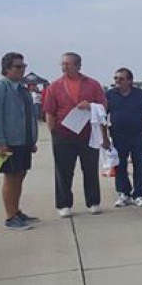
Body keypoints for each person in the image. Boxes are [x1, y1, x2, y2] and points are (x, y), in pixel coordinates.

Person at [44, 52, 110, 217]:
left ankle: (93, 202)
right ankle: (64, 204)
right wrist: (53, 131)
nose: (64, 67)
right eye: (63, 64)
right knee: (63, 171)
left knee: (90, 169)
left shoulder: (93, 85)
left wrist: (91, 107)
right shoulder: (55, 86)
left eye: (68, 64)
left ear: (78, 65)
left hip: (88, 134)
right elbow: (49, 111)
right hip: (63, 134)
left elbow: (103, 108)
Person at [0, 53, 40, 230]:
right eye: (18, 66)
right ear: (7, 68)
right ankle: (10, 217)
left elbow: (29, 117)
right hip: (9, 142)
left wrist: (32, 139)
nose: (22, 69)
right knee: (11, 177)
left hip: (23, 141)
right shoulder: (0, 88)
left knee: (20, 175)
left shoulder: (22, 89)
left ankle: (16, 210)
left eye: (23, 65)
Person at [106, 67, 142, 207]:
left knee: (139, 165)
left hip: (137, 136)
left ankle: (138, 194)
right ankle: (124, 193)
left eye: (121, 79)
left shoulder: (140, 95)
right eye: (116, 79)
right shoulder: (110, 95)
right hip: (118, 136)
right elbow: (103, 114)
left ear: (130, 81)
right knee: (119, 166)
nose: (117, 81)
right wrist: (105, 135)